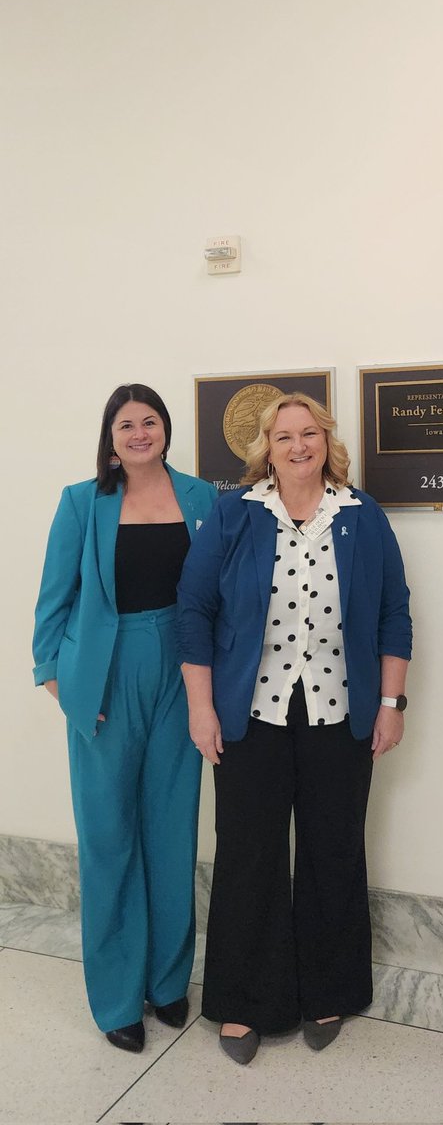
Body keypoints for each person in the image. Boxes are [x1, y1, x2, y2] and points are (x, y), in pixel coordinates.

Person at [177, 391, 411, 1065]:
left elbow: (395, 612)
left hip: (341, 714)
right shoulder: (235, 514)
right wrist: (201, 706)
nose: (298, 446)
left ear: (327, 440)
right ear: (266, 449)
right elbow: (194, 611)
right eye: (284, 437)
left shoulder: (362, 516)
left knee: (333, 848)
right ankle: (244, 1002)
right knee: (249, 852)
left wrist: (392, 704)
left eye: (309, 434)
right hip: (253, 713)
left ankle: (327, 990)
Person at [32, 384, 218, 1053]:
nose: (140, 433)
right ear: (109, 436)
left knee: (171, 833)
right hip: (104, 678)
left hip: (184, 674)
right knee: (109, 839)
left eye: (150, 421)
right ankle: (116, 998)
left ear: (165, 429)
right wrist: (61, 683)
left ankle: (167, 983)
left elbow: (216, 592)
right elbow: (52, 605)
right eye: (126, 424)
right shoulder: (81, 502)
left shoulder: (202, 498)